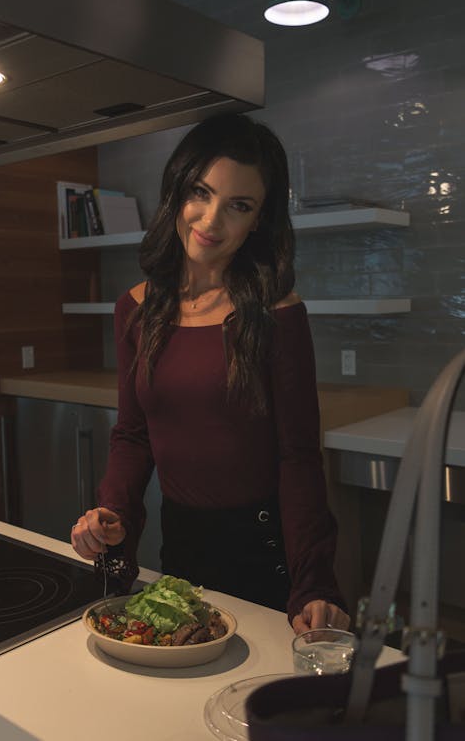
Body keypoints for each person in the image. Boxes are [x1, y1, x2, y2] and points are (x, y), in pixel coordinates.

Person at [71, 112, 349, 635]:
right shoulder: (135, 307)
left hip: (265, 553)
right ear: (177, 189)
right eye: (201, 192)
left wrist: (313, 584)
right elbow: (132, 437)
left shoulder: (278, 313)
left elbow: (299, 456)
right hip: (179, 549)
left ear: (259, 221)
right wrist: (112, 516)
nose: (211, 220)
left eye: (238, 205)